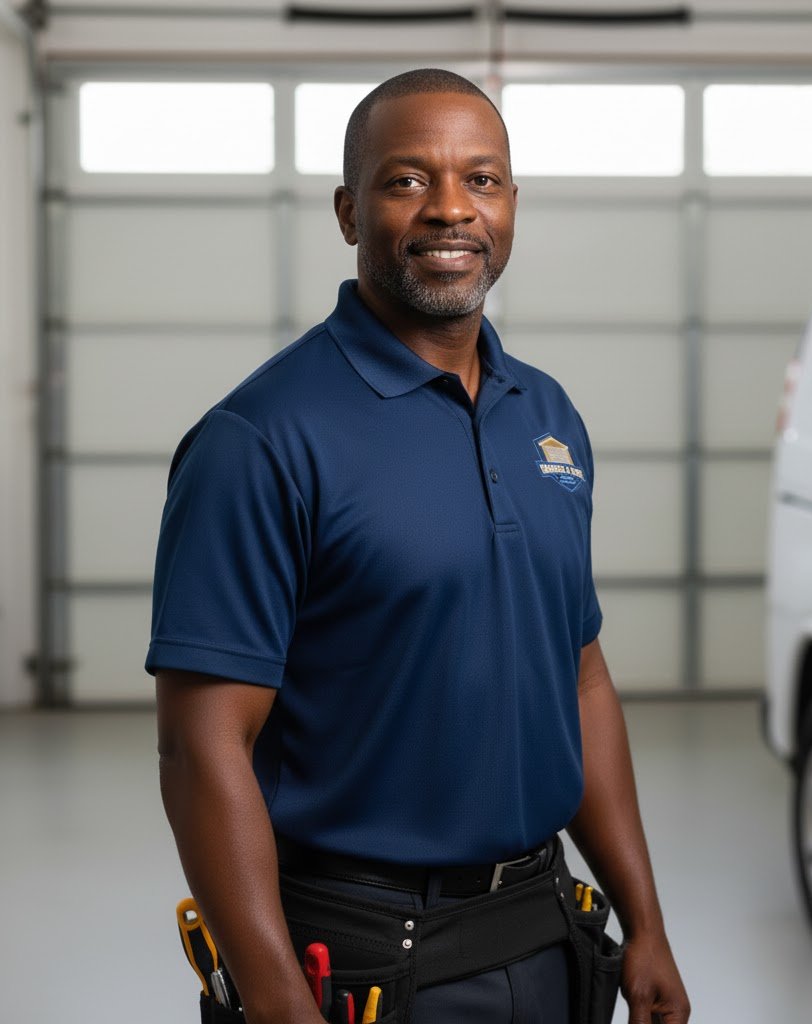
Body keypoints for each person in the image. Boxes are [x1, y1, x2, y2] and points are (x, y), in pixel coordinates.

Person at [149, 68, 690, 1024]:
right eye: (408, 181)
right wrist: (277, 1002)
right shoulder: (262, 440)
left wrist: (645, 921)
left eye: (481, 179)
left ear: (512, 204)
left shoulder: (547, 415)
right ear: (349, 211)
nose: (452, 210)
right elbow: (204, 746)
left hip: (548, 933)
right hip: (358, 955)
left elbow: (581, 676)